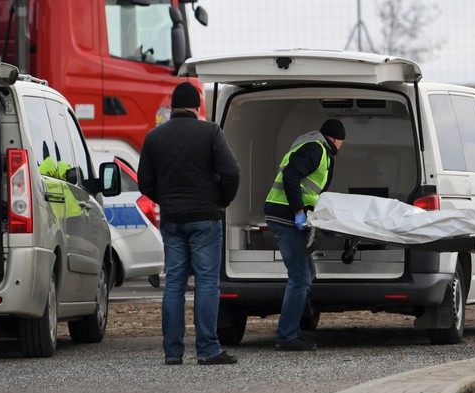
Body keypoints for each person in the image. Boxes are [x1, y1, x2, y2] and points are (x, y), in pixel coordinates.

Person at [137, 81, 241, 366]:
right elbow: (231, 170)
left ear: (172, 107)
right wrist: (221, 200)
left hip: (172, 219)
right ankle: (208, 350)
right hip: (205, 218)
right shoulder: (210, 132)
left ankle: (173, 352)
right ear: (197, 107)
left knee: (174, 284)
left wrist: (167, 199)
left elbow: (144, 182)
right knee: (207, 283)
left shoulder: (154, 137)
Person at [264, 118, 345, 351]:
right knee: (300, 277)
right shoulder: (316, 149)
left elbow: (309, 191)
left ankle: (293, 330)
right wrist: (299, 212)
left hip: (286, 215)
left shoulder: (313, 148)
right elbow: (291, 177)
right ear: (336, 140)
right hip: (285, 216)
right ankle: (286, 336)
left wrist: (317, 219)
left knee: (308, 273)